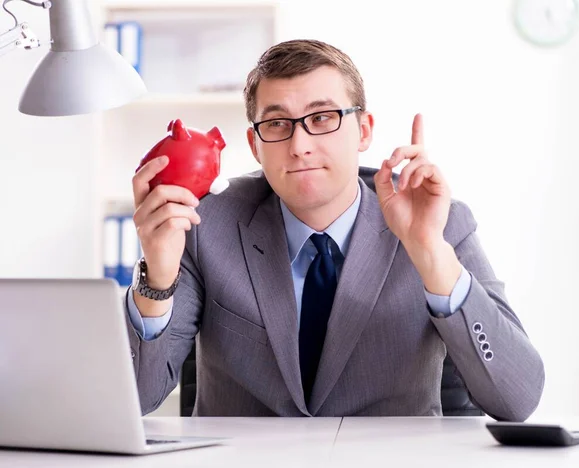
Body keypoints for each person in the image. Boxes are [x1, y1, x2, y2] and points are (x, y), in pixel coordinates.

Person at [126, 39, 544, 420]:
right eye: (276, 124)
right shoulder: (206, 224)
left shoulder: (437, 220)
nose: (299, 145)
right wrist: (157, 278)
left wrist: (431, 253)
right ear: (255, 146)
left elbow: (516, 399)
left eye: (322, 118)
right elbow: (134, 400)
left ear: (363, 131)